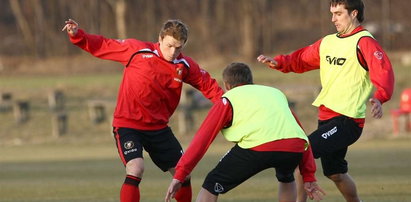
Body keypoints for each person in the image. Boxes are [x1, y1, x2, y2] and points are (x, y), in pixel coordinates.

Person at [62, 19, 224, 202]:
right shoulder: (137, 50)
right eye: (169, 45)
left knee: (183, 174)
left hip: (159, 129)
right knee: (136, 168)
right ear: (160, 39)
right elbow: (102, 45)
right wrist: (77, 35)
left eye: (178, 48)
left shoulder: (184, 65)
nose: (173, 52)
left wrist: (230, 104)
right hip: (128, 125)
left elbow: (209, 87)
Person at [257, 0, 395, 201]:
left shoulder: (364, 41)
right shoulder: (329, 42)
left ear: (354, 13)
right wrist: (280, 62)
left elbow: (383, 71)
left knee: (303, 153)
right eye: (332, 13)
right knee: (335, 173)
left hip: (348, 121)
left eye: (338, 13)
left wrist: (380, 98)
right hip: (327, 117)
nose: (333, 19)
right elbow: (301, 59)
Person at [165, 62, 325, 202]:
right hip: (293, 148)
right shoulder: (275, 94)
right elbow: (299, 133)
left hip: (257, 148)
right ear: (251, 81)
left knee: (211, 184)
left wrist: (180, 175)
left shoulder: (229, 98)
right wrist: (308, 175)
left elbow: (202, 139)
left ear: (227, 85)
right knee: (286, 177)